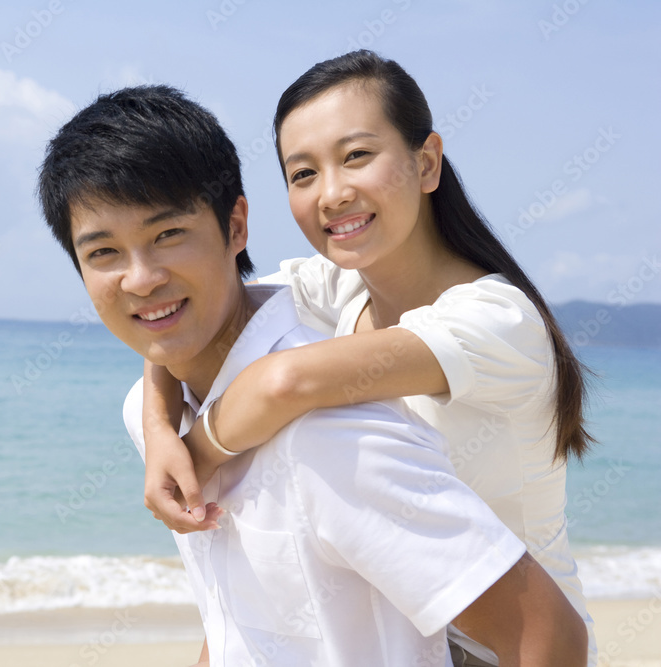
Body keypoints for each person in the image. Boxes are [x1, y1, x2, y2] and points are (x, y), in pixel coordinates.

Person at [37, 83, 587, 666]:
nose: (332, 192)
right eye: (302, 173)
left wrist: (188, 457)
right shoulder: (339, 286)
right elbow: (176, 311)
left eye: (356, 155)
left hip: (501, 637)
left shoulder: (494, 324)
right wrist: (155, 425)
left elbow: (281, 382)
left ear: (426, 163)